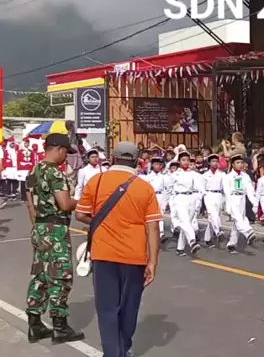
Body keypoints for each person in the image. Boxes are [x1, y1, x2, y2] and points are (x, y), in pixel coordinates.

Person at [75, 142, 162, 357]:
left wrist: (102, 223)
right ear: (137, 161)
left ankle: (113, 352)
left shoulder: (96, 181)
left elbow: (80, 214)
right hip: (134, 256)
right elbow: (153, 226)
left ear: (113, 158)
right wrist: (152, 262)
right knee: (129, 306)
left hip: (103, 254)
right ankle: (124, 347)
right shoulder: (144, 187)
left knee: (107, 308)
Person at [24, 133, 84, 344]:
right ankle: (60, 326)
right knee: (60, 274)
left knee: (40, 274)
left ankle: (35, 324)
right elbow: (65, 204)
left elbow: (30, 205)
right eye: (66, 152)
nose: (66, 156)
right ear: (59, 149)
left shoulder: (33, 172)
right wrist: (84, 202)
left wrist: (38, 228)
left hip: (40, 226)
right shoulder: (55, 173)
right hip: (56, 228)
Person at [223, 150, 259, 254]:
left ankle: (231, 243)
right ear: (233, 164)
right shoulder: (228, 177)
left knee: (238, 221)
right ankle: (248, 233)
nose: (240, 164)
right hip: (233, 199)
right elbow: (227, 192)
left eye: (241, 162)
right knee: (238, 218)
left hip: (242, 199)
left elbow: (250, 191)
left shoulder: (245, 176)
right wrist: (228, 206)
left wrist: (254, 203)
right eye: (237, 162)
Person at [171, 151, 204, 256]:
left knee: (187, 223)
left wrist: (202, 197)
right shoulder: (174, 174)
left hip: (191, 198)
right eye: (183, 160)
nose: (186, 162)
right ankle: (192, 241)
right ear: (179, 161)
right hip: (180, 198)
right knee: (184, 221)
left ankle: (180, 248)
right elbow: (169, 189)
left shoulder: (194, 174)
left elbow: (200, 187)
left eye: (187, 160)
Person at [141, 156, 171, 242]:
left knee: (160, 215)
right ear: (152, 165)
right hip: (151, 196)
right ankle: (149, 232)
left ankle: (161, 233)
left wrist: (166, 200)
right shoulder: (147, 177)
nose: (158, 166)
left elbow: (167, 189)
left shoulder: (164, 177)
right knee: (150, 216)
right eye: (156, 164)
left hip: (160, 196)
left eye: (160, 164)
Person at [202, 154, 226, 247]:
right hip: (208, 194)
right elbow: (202, 188)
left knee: (214, 217)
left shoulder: (222, 174)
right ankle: (218, 231)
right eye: (213, 161)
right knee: (212, 214)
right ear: (209, 163)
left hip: (219, 195)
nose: (215, 163)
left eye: (216, 161)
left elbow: (225, 187)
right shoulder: (205, 175)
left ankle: (207, 238)